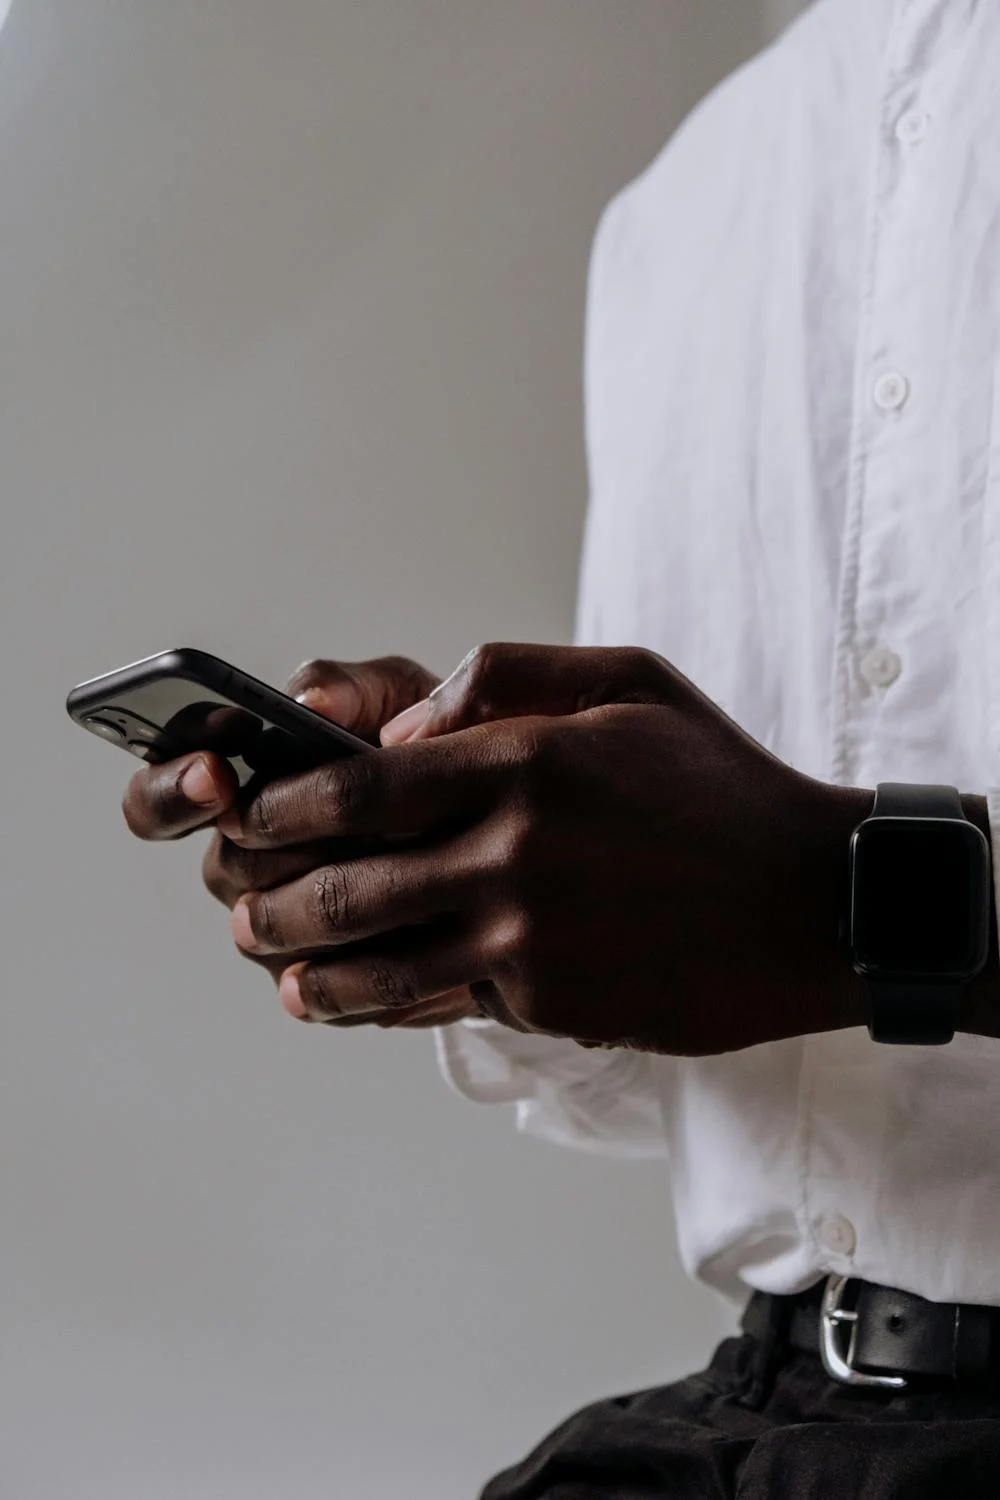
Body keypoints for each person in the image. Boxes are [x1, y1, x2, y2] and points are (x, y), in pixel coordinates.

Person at [121, 0, 1000, 1493]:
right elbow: (751, 1062)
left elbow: (801, 914)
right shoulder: (694, 197)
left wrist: (863, 905)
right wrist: (478, 864)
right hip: (763, 1405)